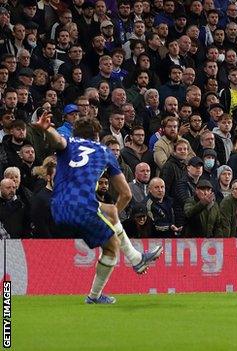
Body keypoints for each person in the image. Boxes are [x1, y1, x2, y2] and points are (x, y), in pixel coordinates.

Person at [32, 113, 162, 304]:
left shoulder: (69, 142)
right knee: (111, 247)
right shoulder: (104, 151)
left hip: (57, 206)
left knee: (108, 211)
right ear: (96, 135)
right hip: (83, 207)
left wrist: (47, 128)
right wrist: (115, 223)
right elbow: (126, 194)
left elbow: (58, 141)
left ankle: (135, 258)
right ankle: (96, 294)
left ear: (76, 132)